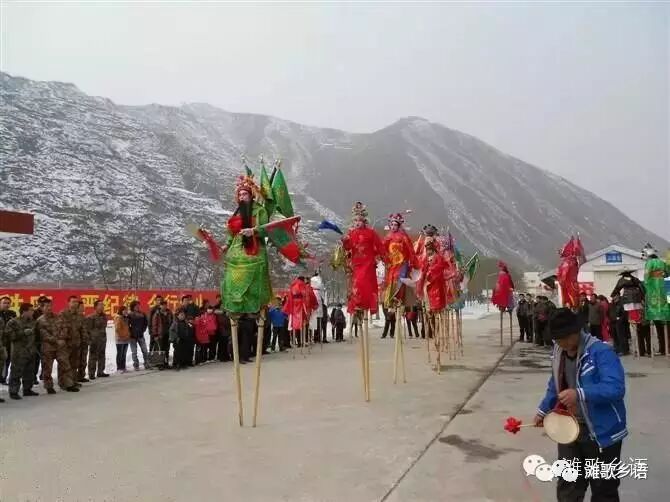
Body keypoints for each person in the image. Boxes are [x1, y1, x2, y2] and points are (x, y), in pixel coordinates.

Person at [535, 308, 627, 502]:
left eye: (562, 339)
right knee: (568, 485)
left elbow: (615, 388)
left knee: (604, 489)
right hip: (569, 429)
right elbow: (555, 385)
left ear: (575, 333)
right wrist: (543, 410)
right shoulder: (559, 351)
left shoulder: (601, 352)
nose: (558, 344)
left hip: (601, 432)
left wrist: (580, 393)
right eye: (556, 339)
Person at [35, 298, 77, 393]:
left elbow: (64, 328)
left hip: (60, 347)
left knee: (65, 365)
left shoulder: (58, 317)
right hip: (48, 347)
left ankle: (67, 384)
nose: (49, 308)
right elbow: (43, 334)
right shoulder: (40, 320)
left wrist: (62, 338)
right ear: (42, 308)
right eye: (47, 306)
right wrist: (56, 340)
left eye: (50, 306)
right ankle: (49, 386)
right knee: (47, 368)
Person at [6, 303, 38, 399]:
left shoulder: (34, 322)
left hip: (31, 350)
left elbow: (36, 336)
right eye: (31, 310)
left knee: (29, 372)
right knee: (16, 372)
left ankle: (27, 389)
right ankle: (13, 391)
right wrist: (22, 333)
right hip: (19, 352)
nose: (33, 312)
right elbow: (9, 336)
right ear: (24, 311)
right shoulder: (13, 322)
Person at [642, 247, 669, 355]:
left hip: (653, 286)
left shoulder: (649, 263)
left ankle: (662, 348)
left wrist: (646, 285)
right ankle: (666, 347)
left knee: (657, 320)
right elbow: (667, 273)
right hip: (662, 286)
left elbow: (646, 276)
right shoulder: (662, 262)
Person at [56, 296, 85, 387]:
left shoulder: (79, 315)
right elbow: (60, 328)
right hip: (66, 343)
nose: (75, 303)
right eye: (73, 302)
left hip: (76, 343)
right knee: (64, 364)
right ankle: (63, 382)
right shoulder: (63, 314)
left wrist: (84, 339)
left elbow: (82, 329)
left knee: (74, 364)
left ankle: (73, 381)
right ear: (68, 303)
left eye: (76, 302)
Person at [85, 300, 109, 380]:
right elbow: (87, 330)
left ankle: (100, 371)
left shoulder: (104, 316)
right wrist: (89, 340)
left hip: (102, 339)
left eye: (103, 305)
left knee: (102, 355)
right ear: (95, 307)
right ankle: (91, 373)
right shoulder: (90, 317)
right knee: (93, 357)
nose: (102, 307)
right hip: (94, 340)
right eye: (100, 305)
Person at [127, 300, 151, 371]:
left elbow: (145, 323)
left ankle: (147, 363)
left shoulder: (142, 314)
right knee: (134, 352)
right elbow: (127, 325)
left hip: (140, 335)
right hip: (132, 336)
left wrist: (142, 330)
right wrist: (130, 332)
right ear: (132, 307)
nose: (137, 307)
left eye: (138, 305)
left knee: (145, 350)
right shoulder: (129, 315)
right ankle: (136, 365)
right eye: (136, 306)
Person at [0, 295, 17, 384]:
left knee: (7, 360)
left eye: (8, 303)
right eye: (4, 303)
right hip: (0, 341)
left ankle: (3, 378)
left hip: (9, 342)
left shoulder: (12, 313)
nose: (6, 305)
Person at [151, 300, 173, 366]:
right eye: (163, 305)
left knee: (167, 349)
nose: (164, 306)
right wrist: (155, 335)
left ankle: (166, 363)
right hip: (160, 334)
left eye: (165, 305)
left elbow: (172, 322)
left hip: (167, 334)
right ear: (160, 306)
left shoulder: (169, 313)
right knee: (160, 349)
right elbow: (154, 325)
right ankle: (160, 364)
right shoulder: (157, 314)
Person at [114, 306, 131, 373]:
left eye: (127, 310)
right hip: (120, 339)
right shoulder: (118, 318)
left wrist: (127, 335)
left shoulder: (126, 318)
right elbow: (117, 329)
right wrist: (122, 336)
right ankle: (119, 368)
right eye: (124, 310)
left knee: (124, 354)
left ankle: (123, 367)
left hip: (126, 338)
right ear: (121, 311)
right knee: (120, 354)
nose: (126, 311)